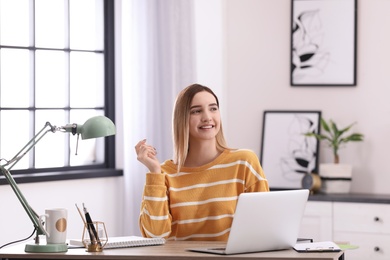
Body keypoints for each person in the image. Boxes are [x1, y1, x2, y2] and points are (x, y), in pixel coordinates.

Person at [134, 83, 269, 241]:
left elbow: (264, 226)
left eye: (213, 108)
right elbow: (155, 236)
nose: (207, 117)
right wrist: (155, 173)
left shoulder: (244, 162)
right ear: (182, 119)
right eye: (196, 111)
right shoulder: (163, 174)